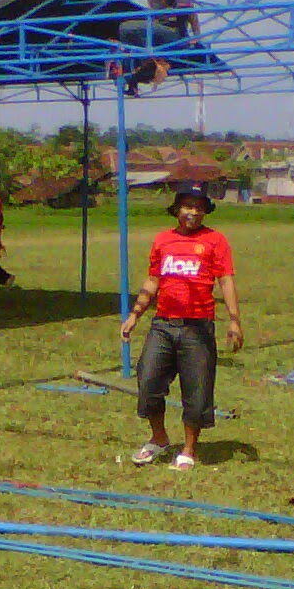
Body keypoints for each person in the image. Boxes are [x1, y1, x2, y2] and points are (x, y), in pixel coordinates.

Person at [120, 183, 242, 471]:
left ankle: (188, 449)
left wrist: (235, 321)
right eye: (187, 206)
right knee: (148, 381)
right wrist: (135, 315)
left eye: (199, 207)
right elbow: (153, 280)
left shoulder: (216, 241)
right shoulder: (163, 240)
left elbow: (225, 280)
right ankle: (159, 438)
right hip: (162, 324)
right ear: (176, 209)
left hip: (197, 328)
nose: (193, 212)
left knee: (196, 391)